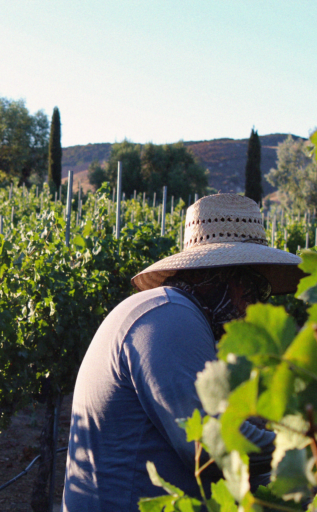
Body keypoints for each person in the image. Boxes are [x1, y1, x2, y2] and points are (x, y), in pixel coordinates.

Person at [62, 194, 304, 511]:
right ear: (223, 277)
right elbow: (209, 444)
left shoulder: (176, 315)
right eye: (255, 288)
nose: (257, 305)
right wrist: (314, 448)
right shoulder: (171, 317)